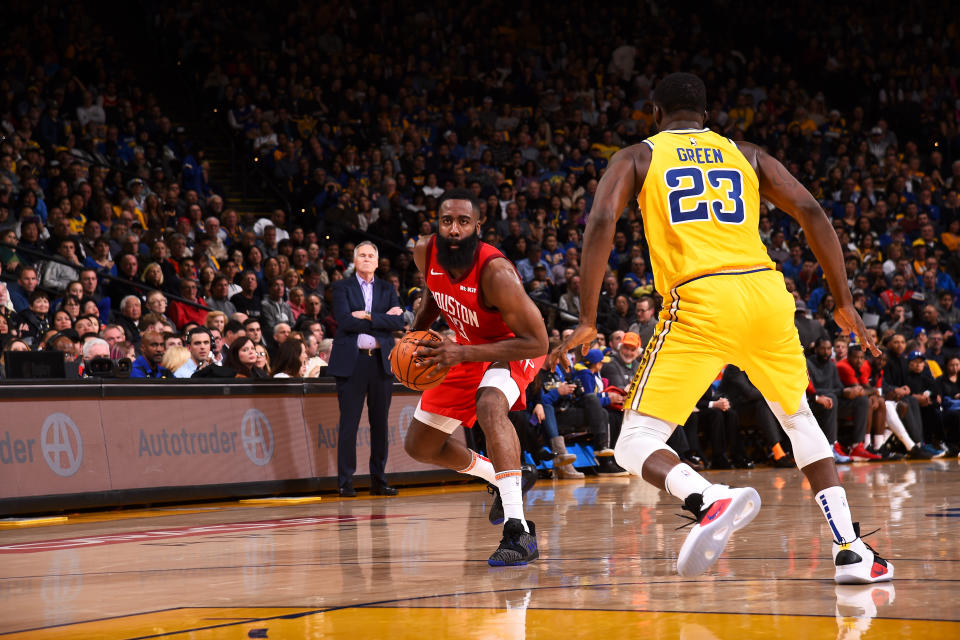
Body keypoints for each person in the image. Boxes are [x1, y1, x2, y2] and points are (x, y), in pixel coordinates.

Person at [555, 73, 892, 583]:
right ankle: (850, 550)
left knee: (634, 441)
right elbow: (810, 210)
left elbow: (602, 220)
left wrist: (585, 317)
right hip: (765, 294)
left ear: (654, 114)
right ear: (707, 117)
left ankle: (708, 497)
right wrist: (842, 299)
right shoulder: (747, 153)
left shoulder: (638, 156)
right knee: (799, 417)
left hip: (700, 298)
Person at [402, 189, 549, 567]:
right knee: (421, 446)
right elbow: (436, 292)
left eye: (463, 222)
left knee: (489, 404)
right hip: (465, 348)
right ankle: (504, 476)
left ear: (477, 227)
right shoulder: (425, 251)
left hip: (512, 348)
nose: (453, 229)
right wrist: (416, 336)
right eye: (447, 221)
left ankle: (518, 531)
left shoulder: (496, 273)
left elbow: (537, 341)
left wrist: (464, 353)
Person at [327, 241, 405, 498]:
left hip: (380, 362)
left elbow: (397, 321)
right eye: (362, 255)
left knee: (380, 424)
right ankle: (345, 482)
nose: (367, 259)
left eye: (371, 255)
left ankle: (379, 480)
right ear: (355, 259)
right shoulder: (341, 287)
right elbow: (345, 321)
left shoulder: (386, 287)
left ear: (377, 260)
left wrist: (369, 316)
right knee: (349, 424)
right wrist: (380, 319)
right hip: (352, 362)